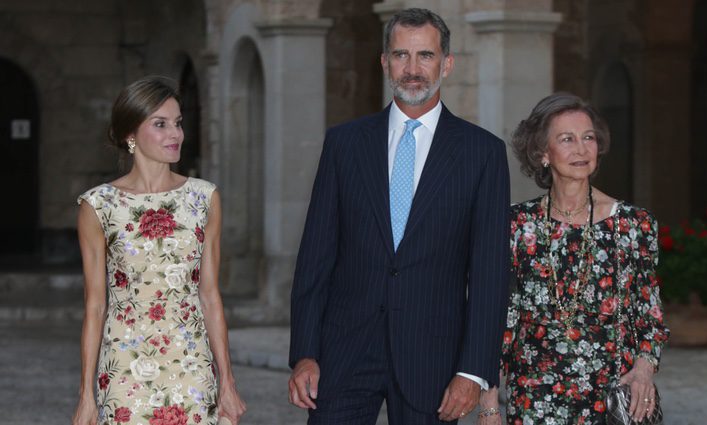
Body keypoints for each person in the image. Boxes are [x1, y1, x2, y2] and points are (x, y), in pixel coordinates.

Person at [288, 7, 511, 425]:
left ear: (446, 63)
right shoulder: (344, 144)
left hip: (434, 361)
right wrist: (305, 352)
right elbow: (315, 257)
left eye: (425, 55)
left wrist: (473, 370)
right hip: (343, 355)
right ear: (385, 62)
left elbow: (489, 273)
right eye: (400, 55)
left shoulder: (482, 153)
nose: (413, 69)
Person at [476, 93, 670, 424]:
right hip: (535, 400)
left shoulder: (634, 225)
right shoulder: (517, 226)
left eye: (588, 138)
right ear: (541, 152)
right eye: (567, 139)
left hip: (610, 399)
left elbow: (649, 315)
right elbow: (499, 322)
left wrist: (643, 370)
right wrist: (490, 405)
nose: (581, 149)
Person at [72, 77, 246, 425]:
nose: (175, 134)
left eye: (178, 123)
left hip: (192, 366)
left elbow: (210, 295)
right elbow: (95, 305)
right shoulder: (99, 206)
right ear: (130, 135)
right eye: (161, 124)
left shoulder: (203, 198)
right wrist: (86, 395)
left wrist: (227, 381)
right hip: (124, 370)